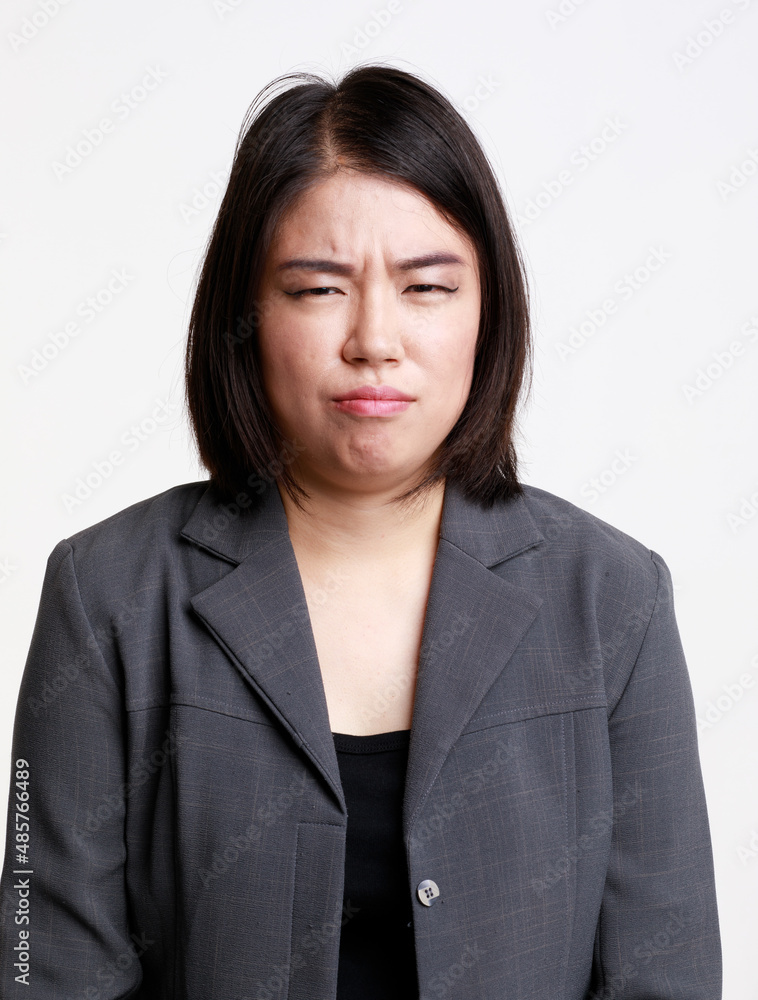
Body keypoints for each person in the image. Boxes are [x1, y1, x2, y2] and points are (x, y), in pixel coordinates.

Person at [0, 63, 721, 999]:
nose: (374, 338)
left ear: (485, 313)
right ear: (245, 316)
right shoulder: (107, 595)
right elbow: (36, 961)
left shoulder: (613, 598)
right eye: (316, 289)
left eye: (426, 288)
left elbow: (665, 977)